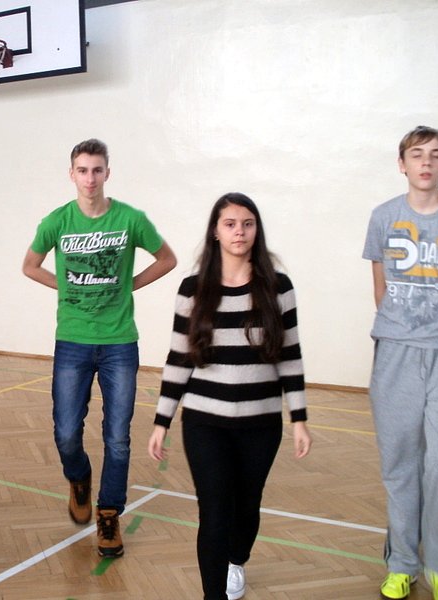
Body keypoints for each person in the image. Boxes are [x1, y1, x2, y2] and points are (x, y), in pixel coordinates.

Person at [148, 192, 311, 600]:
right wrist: (162, 420)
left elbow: (290, 356)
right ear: (215, 233)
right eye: (230, 224)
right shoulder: (193, 289)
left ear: (257, 230)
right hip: (205, 423)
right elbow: (179, 358)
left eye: (247, 224)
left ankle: (237, 559)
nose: (240, 231)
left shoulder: (278, 287)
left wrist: (299, 418)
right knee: (214, 512)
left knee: (246, 506)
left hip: (261, 424)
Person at [22, 138, 176, 557]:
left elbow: (167, 259)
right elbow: (30, 266)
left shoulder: (130, 219)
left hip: (119, 342)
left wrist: (130, 286)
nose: (90, 178)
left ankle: (109, 513)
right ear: (71, 174)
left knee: (118, 437)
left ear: (107, 172)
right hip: (72, 340)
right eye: (82, 170)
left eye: (97, 170)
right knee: (66, 432)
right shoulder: (57, 221)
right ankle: (79, 478)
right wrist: (64, 287)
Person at [362, 125, 438, 600]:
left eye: (435, 154)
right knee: (401, 465)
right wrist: (402, 330)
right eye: (417, 154)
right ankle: (402, 564)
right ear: (402, 164)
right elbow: (381, 289)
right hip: (396, 352)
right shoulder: (383, 217)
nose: (426, 162)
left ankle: (437, 564)